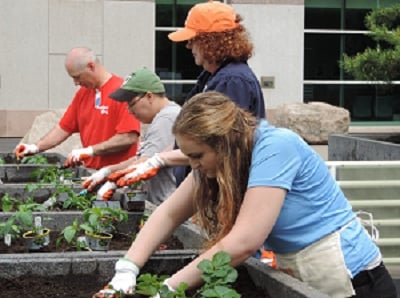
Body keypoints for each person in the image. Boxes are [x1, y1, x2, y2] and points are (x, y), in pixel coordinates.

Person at [94, 92, 397, 298]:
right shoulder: (223, 158)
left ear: (223, 142)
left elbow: (243, 242)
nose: (193, 165)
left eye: (197, 156)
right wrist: (127, 269)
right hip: (304, 273)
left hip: (354, 279)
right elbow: (169, 213)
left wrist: (169, 290)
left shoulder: (276, 147)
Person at [89, 0, 266, 192]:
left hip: (223, 189)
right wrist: (155, 160)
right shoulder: (211, 76)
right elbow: (188, 140)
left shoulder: (233, 81)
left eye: (193, 39)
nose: (189, 46)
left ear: (211, 42)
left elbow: (216, 144)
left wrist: (160, 159)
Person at [14, 47, 141, 170]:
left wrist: (91, 151)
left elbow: (128, 137)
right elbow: (63, 128)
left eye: (77, 77)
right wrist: (35, 147)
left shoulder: (121, 92)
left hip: (118, 175)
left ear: (91, 66)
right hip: (91, 173)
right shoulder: (83, 93)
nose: (75, 83)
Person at [82, 67, 181, 205]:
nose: (129, 111)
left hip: (167, 207)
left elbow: (145, 163)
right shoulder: (163, 117)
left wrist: (113, 183)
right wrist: (108, 171)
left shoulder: (166, 118)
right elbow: (145, 157)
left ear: (149, 96)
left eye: (131, 103)